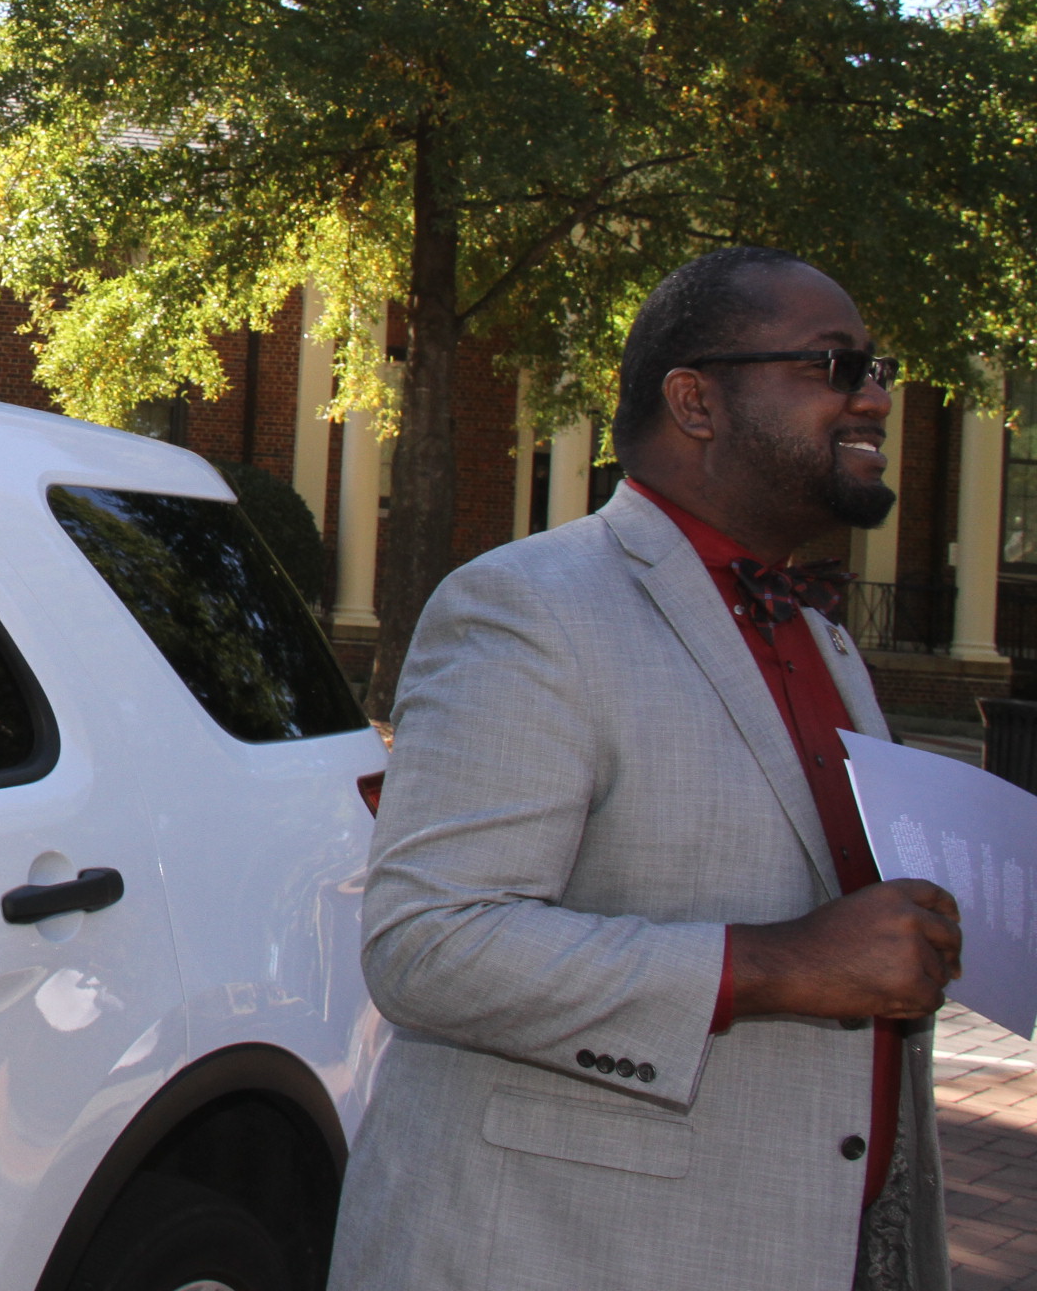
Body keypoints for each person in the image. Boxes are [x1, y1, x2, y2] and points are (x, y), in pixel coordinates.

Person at [330, 246, 963, 1291]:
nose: (877, 398)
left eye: (876, 368)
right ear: (696, 400)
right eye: (835, 365)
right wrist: (778, 964)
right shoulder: (529, 605)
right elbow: (429, 945)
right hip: (567, 1255)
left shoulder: (825, 637)